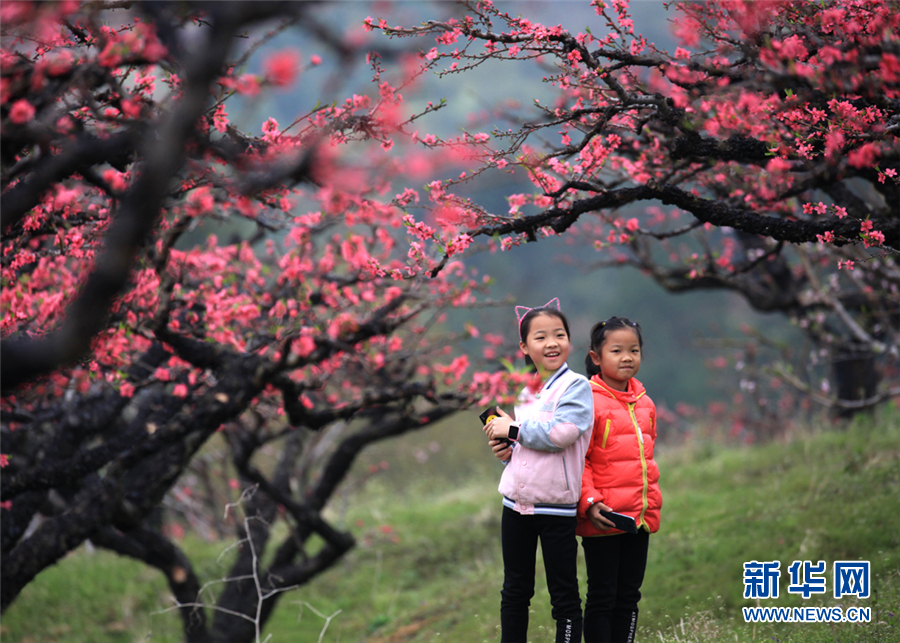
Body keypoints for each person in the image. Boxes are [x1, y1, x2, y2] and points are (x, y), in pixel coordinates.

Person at [484, 298, 594, 643]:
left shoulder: (577, 386)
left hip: (555, 507)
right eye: (541, 337)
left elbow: (562, 434)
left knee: (563, 595)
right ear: (524, 347)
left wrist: (512, 431)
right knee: (515, 590)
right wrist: (505, 452)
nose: (551, 343)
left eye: (559, 335)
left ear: (569, 341)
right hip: (515, 505)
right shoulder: (526, 392)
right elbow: (526, 449)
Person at [577, 317, 662, 643]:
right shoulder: (587, 402)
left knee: (629, 596)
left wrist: (650, 505)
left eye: (634, 350)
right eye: (617, 350)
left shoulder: (646, 404)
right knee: (602, 596)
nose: (627, 357)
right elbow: (579, 460)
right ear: (596, 357)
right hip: (603, 517)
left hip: (637, 519)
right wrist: (590, 502)